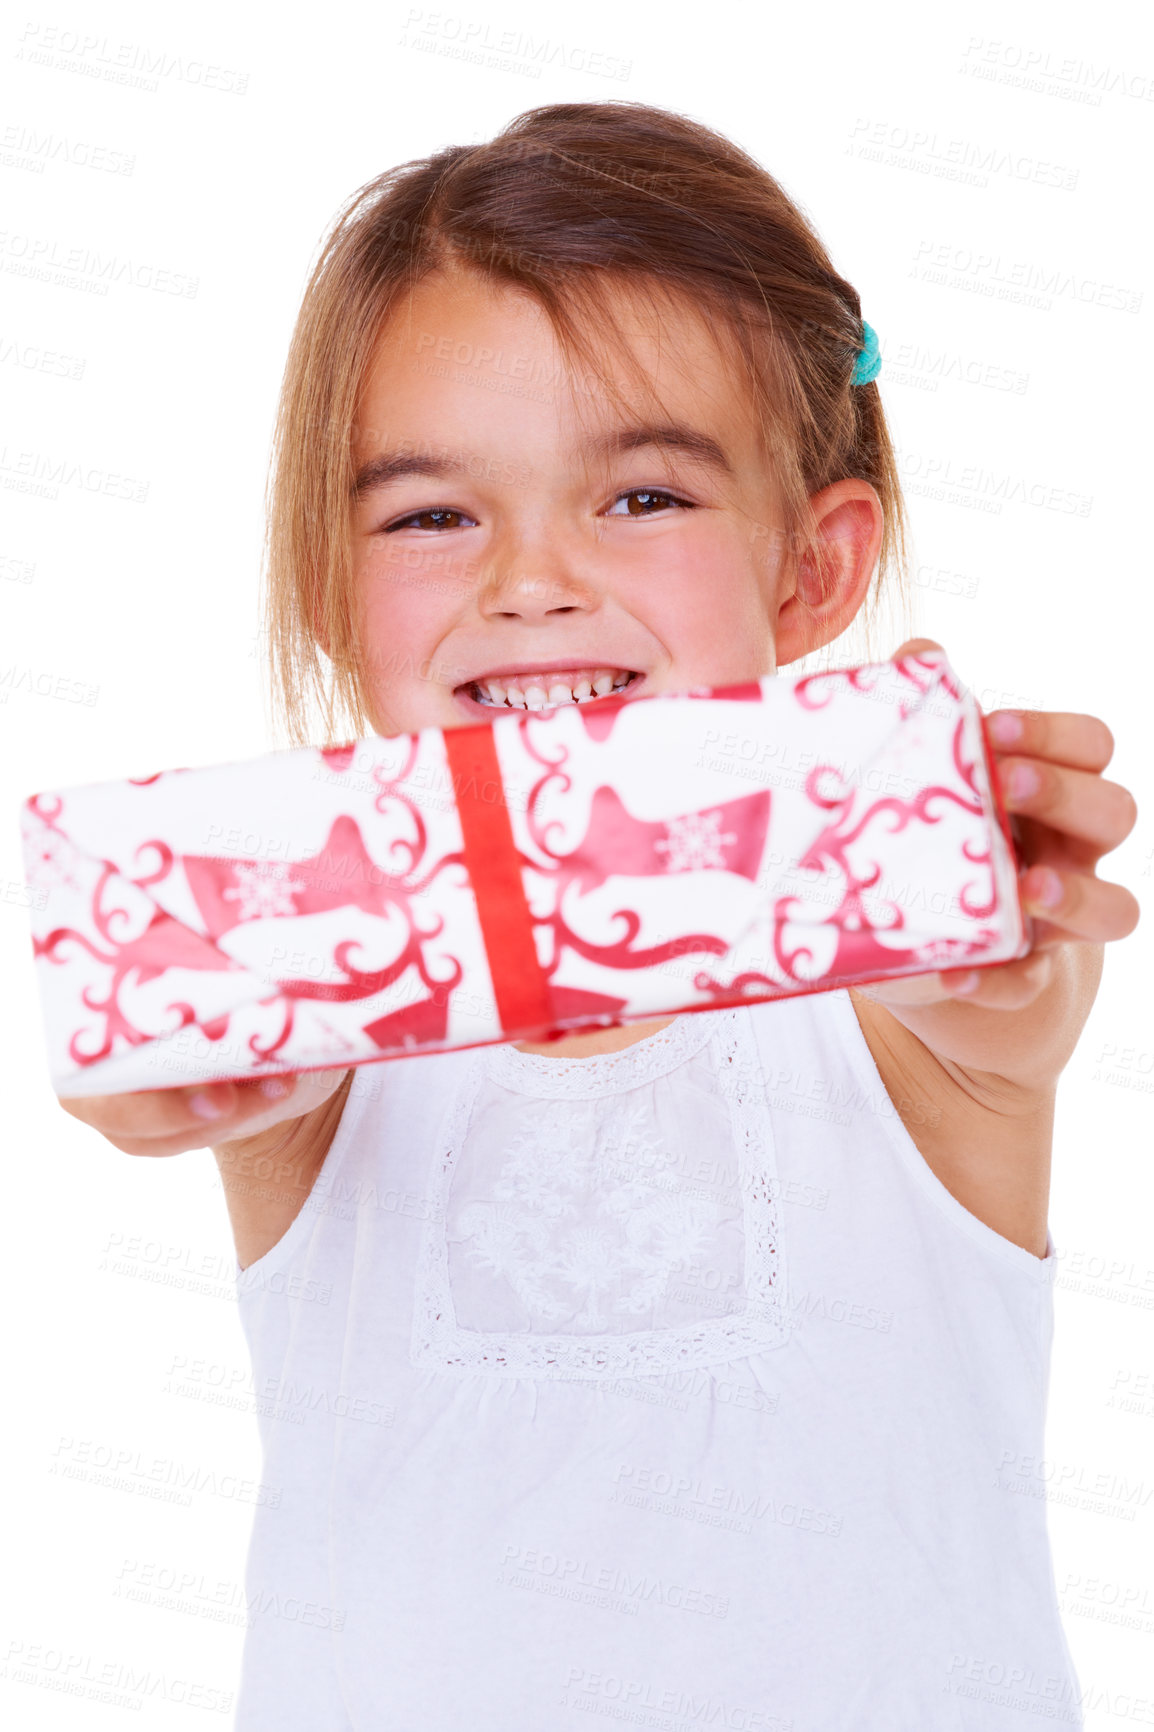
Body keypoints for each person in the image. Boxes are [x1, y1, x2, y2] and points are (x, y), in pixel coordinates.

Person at [62, 102, 1138, 1729]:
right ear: (330, 588)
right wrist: (175, 1072)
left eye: (639, 498)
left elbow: (990, 1007)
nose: (528, 579)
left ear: (812, 572)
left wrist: (991, 908)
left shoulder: (905, 1003)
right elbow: (172, 1073)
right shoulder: (319, 1000)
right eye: (431, 515)